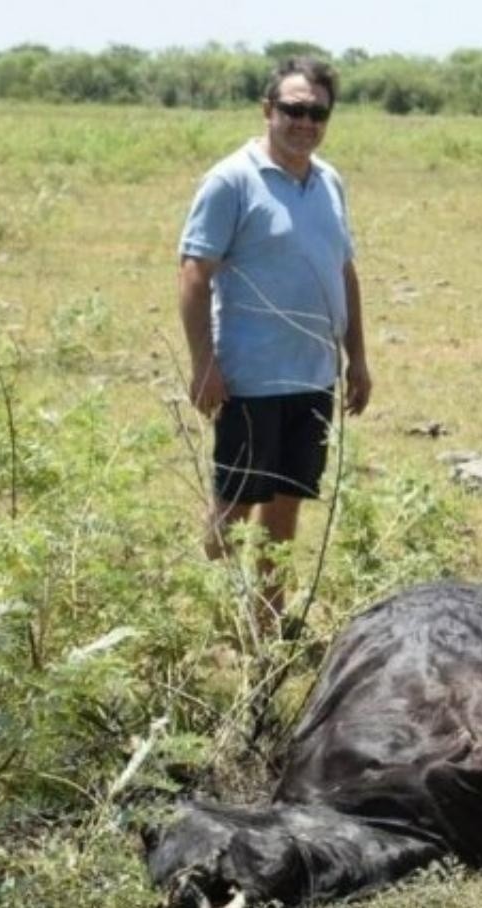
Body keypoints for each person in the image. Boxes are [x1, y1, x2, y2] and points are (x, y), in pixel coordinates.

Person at [178, 57, 371, 634]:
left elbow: (344, 270)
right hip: (250, 377)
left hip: (313, 375)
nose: (304, 122)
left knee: (285, 500)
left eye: (316, 112)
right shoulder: (231, 181)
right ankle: (206, 611)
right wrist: (204, 364)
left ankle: (266, 617)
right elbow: (194, 273)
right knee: (236, 504)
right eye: (292, 109)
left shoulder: (328, 181)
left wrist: (356, 357)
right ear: (268, 110)